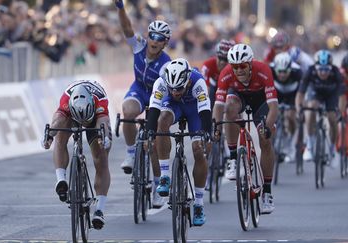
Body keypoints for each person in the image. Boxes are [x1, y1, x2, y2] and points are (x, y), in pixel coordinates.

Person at [114, 0, 171, 208]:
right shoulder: (138, 45)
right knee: (127, 111)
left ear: (165, 43)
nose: (154, 41)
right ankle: (130, 154)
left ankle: (157, 187)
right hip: (138, 89)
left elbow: (166, 93)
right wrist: (120, 8)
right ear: (147, 36)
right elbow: (126, 27)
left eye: (160, 39)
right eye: (152, 36)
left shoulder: (166, 64)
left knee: (154, 143)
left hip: (157, 95)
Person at [213, 44, 278, 214]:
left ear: (250, 64)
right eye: (235, 67)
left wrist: (268, 128)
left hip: (260, 100)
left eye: (242, 66)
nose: (239, 70)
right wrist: (216, 127)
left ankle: (267, 193)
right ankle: (234, 159)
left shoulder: (263, 70)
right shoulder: (226, 73)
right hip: (239, 96)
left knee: (265, 140)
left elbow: (273, 107)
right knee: (230, 108)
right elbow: (218, 106)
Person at [146, 58, 212, 226]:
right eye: (172, 88)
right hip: (173, 107)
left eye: (180, 88)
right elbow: (153, 109)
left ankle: (198, 203)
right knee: (162, 122)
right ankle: (165, 176)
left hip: (194, 110)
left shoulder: (198, 82)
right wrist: (151, 132)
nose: (175, 91)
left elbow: (205, 111)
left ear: (188, 80)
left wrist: (206, 134)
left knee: (198, 150)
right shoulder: (161, 82)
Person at [43, 80, 112, 230]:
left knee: (101, 158)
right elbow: (57, 121)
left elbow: (104, 123)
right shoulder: (66, 101)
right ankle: (61, 180)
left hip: (95, 117)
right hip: (72, 113)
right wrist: (49, 136)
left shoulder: (100, 101)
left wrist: (104, 138)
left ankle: (99, 209)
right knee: (60, 138)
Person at [295, 50, 344, 164]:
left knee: (332, 118)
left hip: (331, 94)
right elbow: (300, 94)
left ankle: (332, 149)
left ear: (330, 68)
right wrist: (299, 110)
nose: (323, 73)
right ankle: (310, 145)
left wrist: (340, 112)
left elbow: (342, 96)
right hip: (315, 93)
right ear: (315, 67)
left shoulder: (336, 72)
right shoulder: (310, 71)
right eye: (320, 69)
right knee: (311, 108)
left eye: (326, 69)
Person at [270, 52, 303, 159]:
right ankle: (277, 138)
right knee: (273, 116)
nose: (282, 75)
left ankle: (290, 141)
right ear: (275, 69)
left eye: (285, 71)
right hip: (277, 92)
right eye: (280, 71)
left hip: (293, 94)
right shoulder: (269, 70)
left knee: (290, 116)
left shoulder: (297, 72)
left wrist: (300, 106)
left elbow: (303, 91)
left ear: (290, 68)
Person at [200, 39, 236, 109]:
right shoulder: (208, 64)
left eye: (226, 59)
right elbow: (204, 87)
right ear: (216, 56)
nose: (222, 62)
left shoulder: (235, 66)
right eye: (220, 58)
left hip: (229, 87)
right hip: (214, 86)